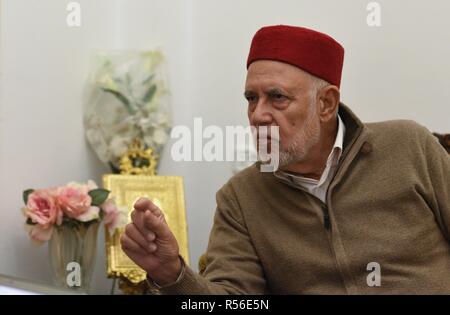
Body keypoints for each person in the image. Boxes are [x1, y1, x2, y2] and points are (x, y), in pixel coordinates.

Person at [120, 25, 450, 294]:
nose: (258, 115)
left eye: (277, 97)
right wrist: (171, 274)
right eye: (252, 98)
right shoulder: (240, 198)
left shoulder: (409, 146)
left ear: (326, 104)